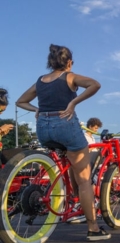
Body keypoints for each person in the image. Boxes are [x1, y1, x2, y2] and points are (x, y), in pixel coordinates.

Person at [16, 44, 111, 241]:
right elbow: (95, 84)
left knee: (70, 164)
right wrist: (73, 102)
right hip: (65, 126)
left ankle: (73, 202)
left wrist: (36, 110)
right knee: (85, 179)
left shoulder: (41, 81)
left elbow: (20, 101)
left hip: (43, 129)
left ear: (50, 63)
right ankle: (93, 228)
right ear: (69, 62)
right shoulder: (70, 76)